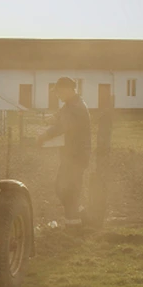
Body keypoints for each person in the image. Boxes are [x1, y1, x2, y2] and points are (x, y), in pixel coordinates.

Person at [37, 76, 91, 226]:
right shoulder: (72, 103)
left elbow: (63, 126)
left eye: (58, 92)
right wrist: (52, 118)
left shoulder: (75, 107)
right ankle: (82, 216)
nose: (57, 95)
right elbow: (61, 116)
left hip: (76, 156)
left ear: (67, 90)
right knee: (63, 188)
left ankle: (73, 225)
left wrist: (44, 136)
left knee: (68, 190)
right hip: (71, 155)